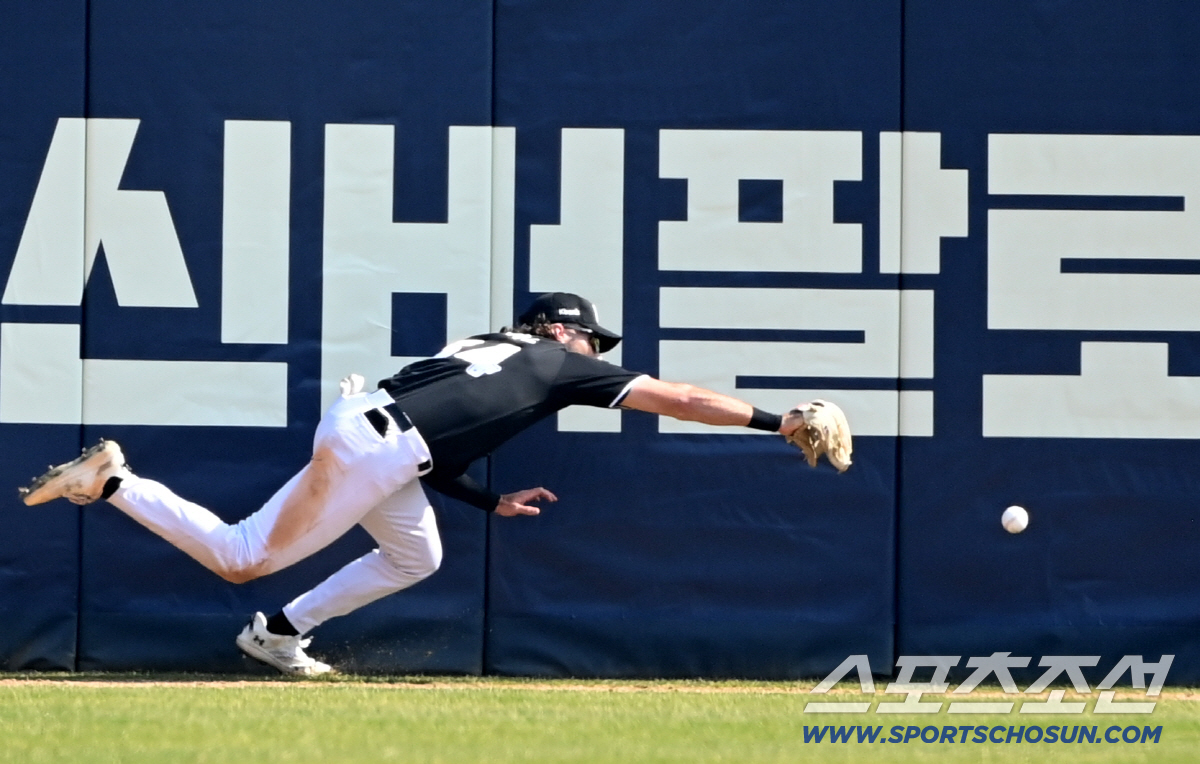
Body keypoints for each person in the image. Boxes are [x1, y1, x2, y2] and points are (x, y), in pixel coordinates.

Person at [19, 292, 814, 675]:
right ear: (557, 329)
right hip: (378, 445)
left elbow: (440, 444)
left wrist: (486, 500)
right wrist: (775, 420)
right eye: (586, 335)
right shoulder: (553, 361)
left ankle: (279, 634)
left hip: (378, 432)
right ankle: (115, 481)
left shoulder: (486, 344)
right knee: (241, 557)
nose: (593, 348)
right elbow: (677, 398)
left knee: (415, 556)